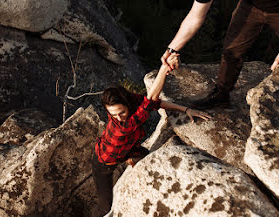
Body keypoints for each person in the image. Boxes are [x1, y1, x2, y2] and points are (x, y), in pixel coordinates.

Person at [91, 54, 212, 215]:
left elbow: (156, 103)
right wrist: (164, 69)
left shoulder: (131, 100)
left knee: (151, 160)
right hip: (103, 163)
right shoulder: (123, 127)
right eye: (113, 115)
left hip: (128, 149)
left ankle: (130, 159)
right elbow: (150, 101)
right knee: (105, 207)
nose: (118, 117)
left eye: (121, 112)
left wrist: (186, 109)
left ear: (127, 102)